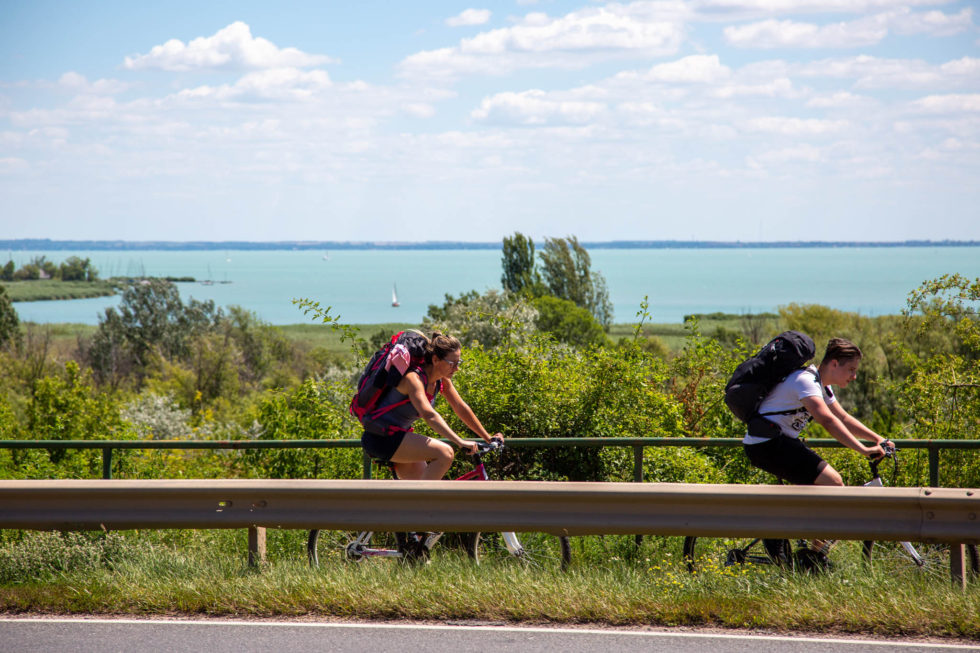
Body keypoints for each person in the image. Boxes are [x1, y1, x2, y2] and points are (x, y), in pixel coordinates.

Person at [743, 337, 889, 487]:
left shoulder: (821, 385)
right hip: (765, 444)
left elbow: (843, 418)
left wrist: (878, 439)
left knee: (827, 484)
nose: (854, 376)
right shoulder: (806, 382)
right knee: (833, 482)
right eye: (851, 370)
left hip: (781, 441)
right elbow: (828, 421)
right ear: (834, 364)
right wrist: (863, 449)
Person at [360, 332, 502, 481]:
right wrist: (459, 441)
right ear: (435, 360)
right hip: (380, 438)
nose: (456, 368)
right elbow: (429, 415)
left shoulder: (442, 380)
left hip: (399, 436)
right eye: (452, 363)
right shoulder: (413, 379)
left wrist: (488, 437)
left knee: (419, 489)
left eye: (458, 363)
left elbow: (460, 406)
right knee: (445, 454)